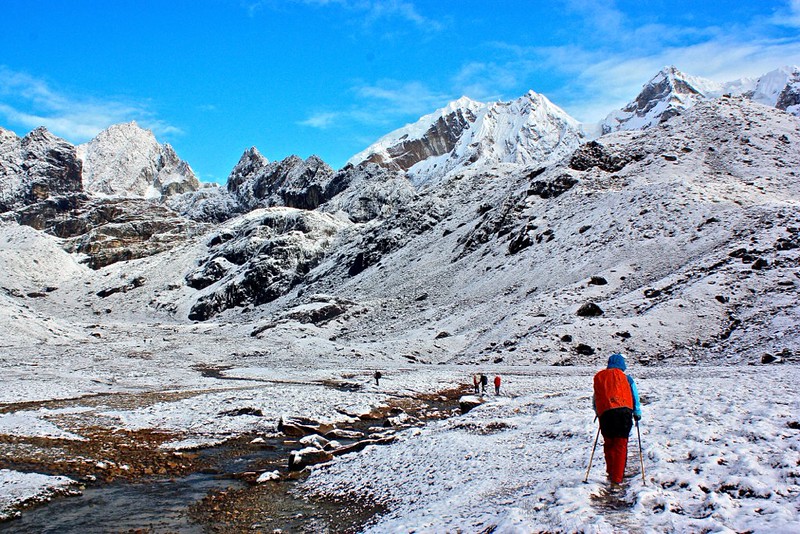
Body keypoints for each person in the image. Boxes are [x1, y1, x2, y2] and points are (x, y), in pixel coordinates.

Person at [592, 353, 642, 484]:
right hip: (623, 413)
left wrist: (599, 413)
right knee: (620, 445)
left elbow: (596, 398)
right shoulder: (627, 378)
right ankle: (617, 479)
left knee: (609, 444)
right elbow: (634, 396)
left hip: (606, 414)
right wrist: (637, 412)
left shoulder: (600, 378)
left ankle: (610, 472)